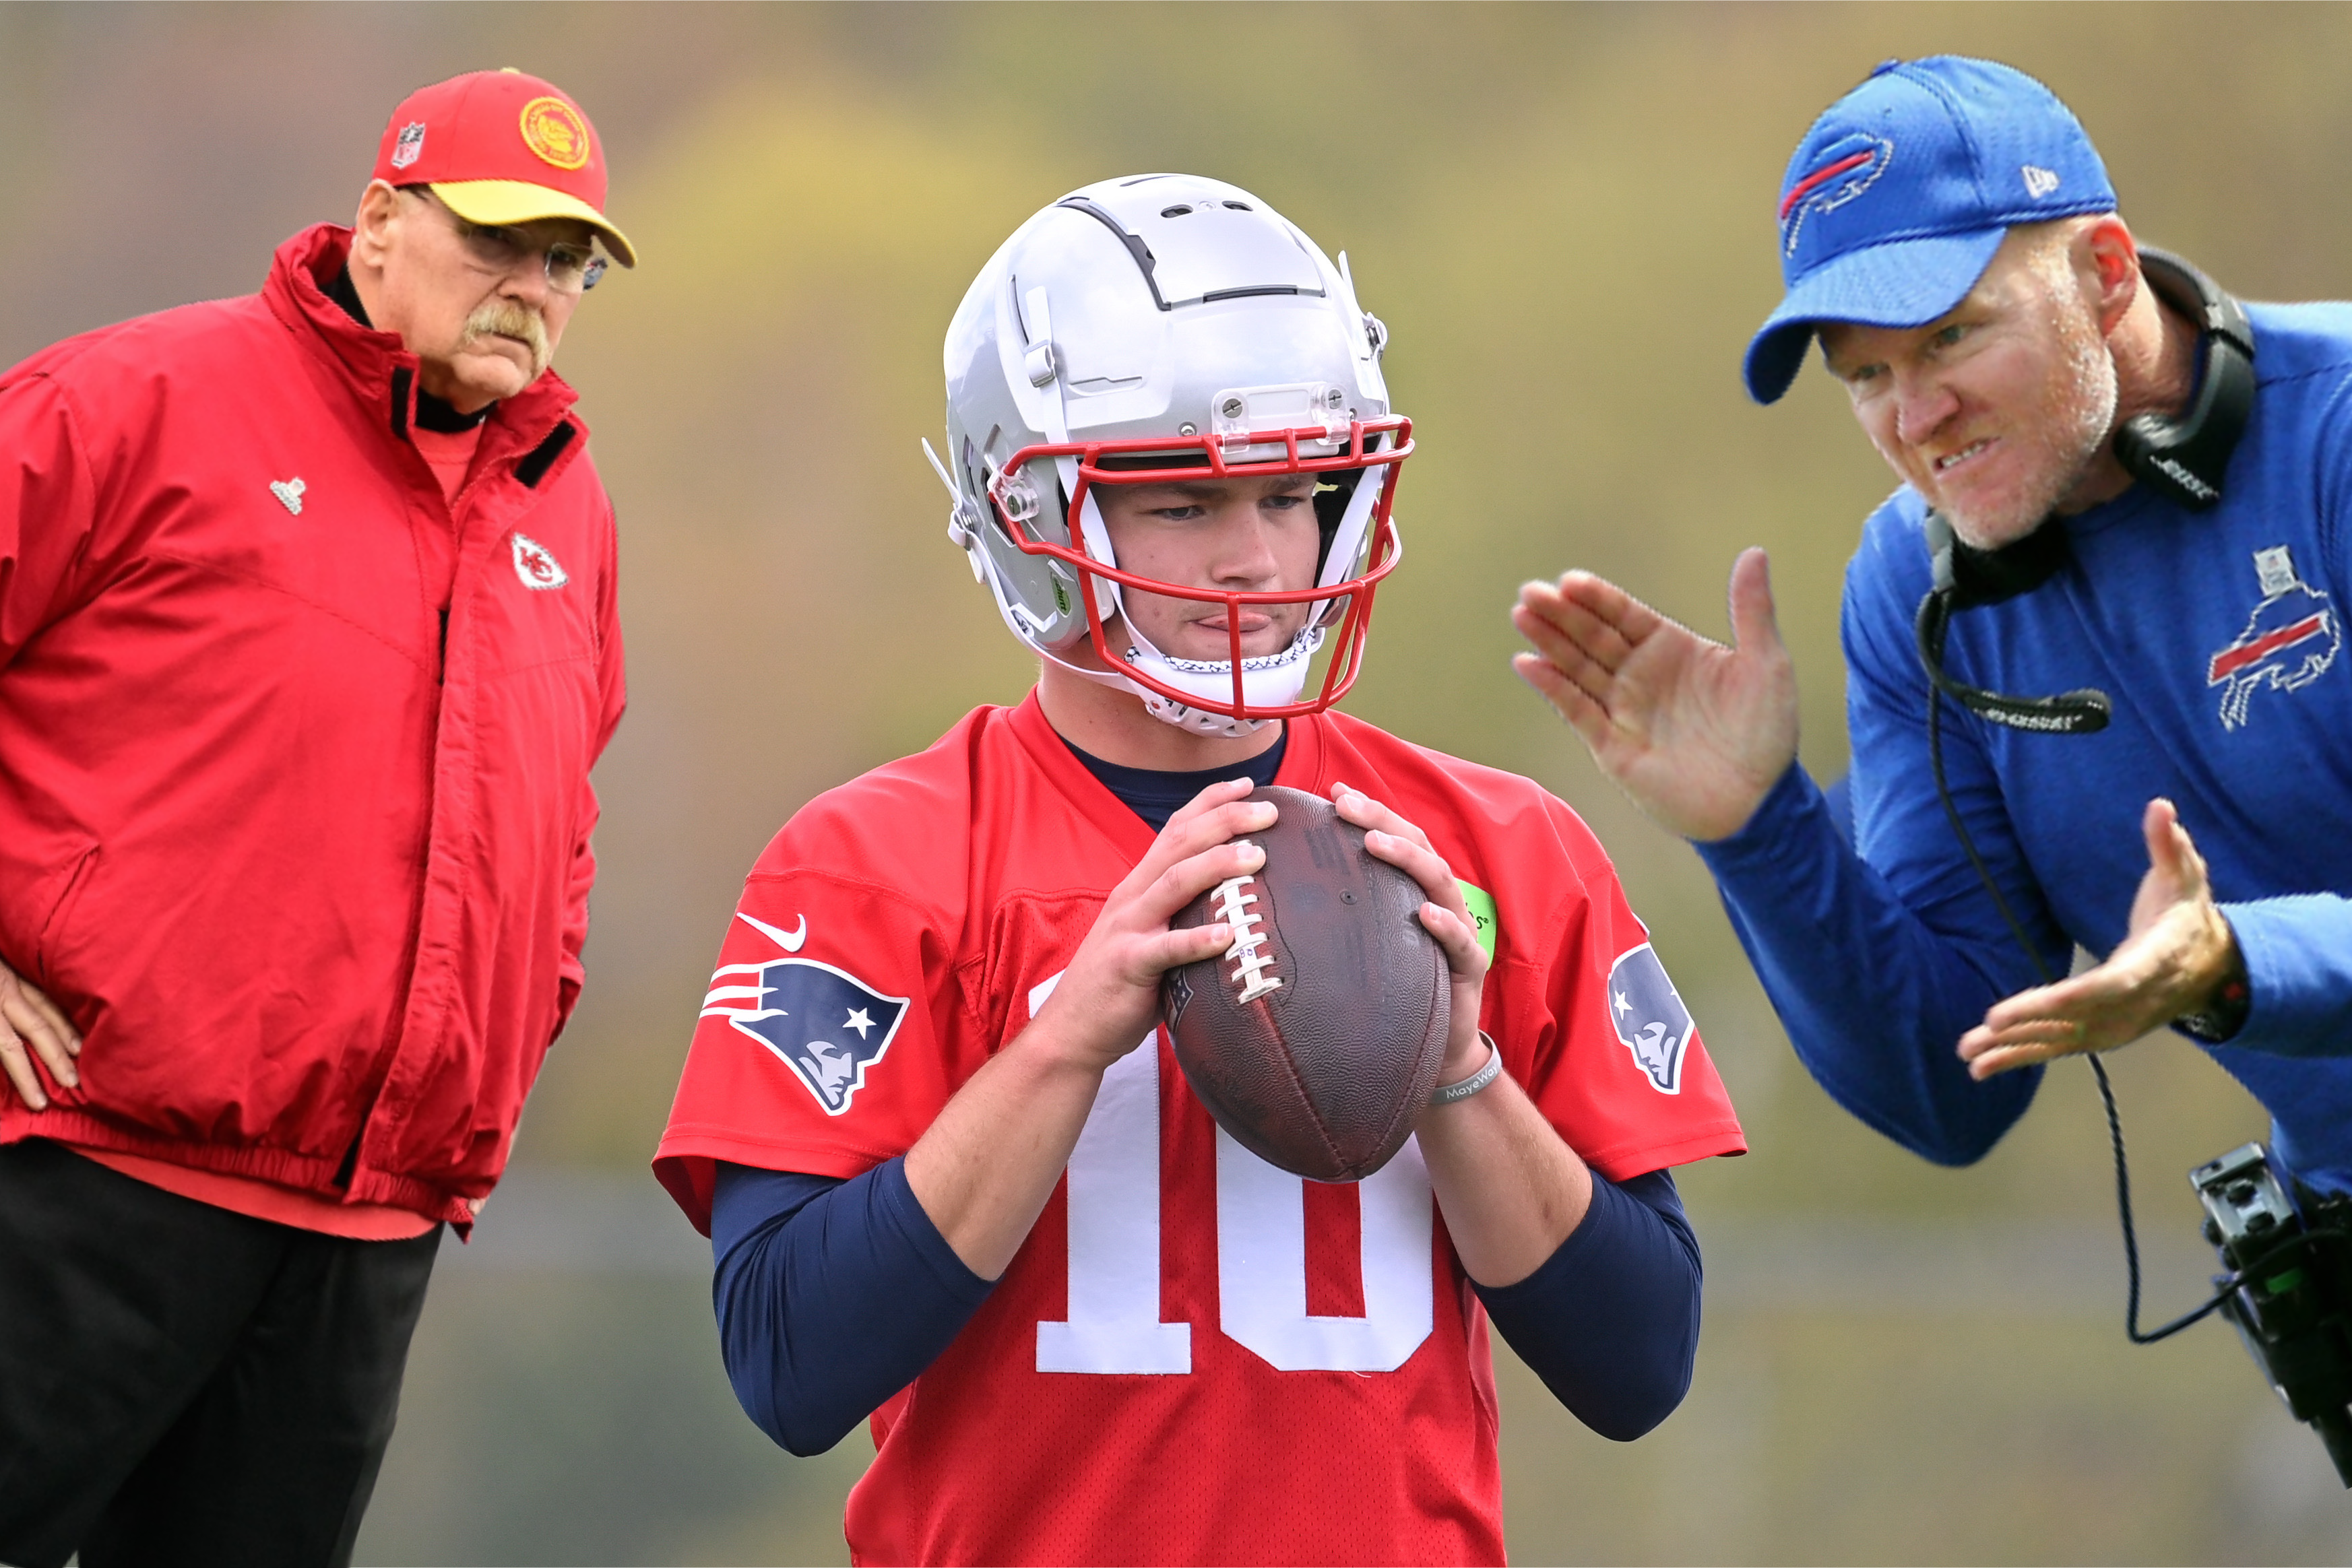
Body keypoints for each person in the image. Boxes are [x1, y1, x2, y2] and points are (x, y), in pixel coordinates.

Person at [654, 176, 1746, 1565]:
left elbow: (1639, 1366)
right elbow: (787, 1366)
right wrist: (1060, 1047)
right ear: (1027, 509)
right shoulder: (875, 865)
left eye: (1291, 493)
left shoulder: (1491, 850)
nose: (1255, 558)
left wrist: (1458, 1071)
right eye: (1181, 504)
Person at [1513, 57, 2352, 1197]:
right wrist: (1761, 836)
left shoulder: (2335, 434)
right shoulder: (1911, 587)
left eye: (1951, 336)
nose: (1916, 418)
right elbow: (1949, 1093)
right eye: (1866, 374)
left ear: (2104, 274)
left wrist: (2232, 960)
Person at [0, 68, 633, 1568]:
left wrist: (511, 1021)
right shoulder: (132, 399)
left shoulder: (565, 505)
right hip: (76, 1180)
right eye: (497, 240)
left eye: (567, 261)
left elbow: (563, 822)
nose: (533, 288)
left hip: (365, 1243)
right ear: (380, 222)